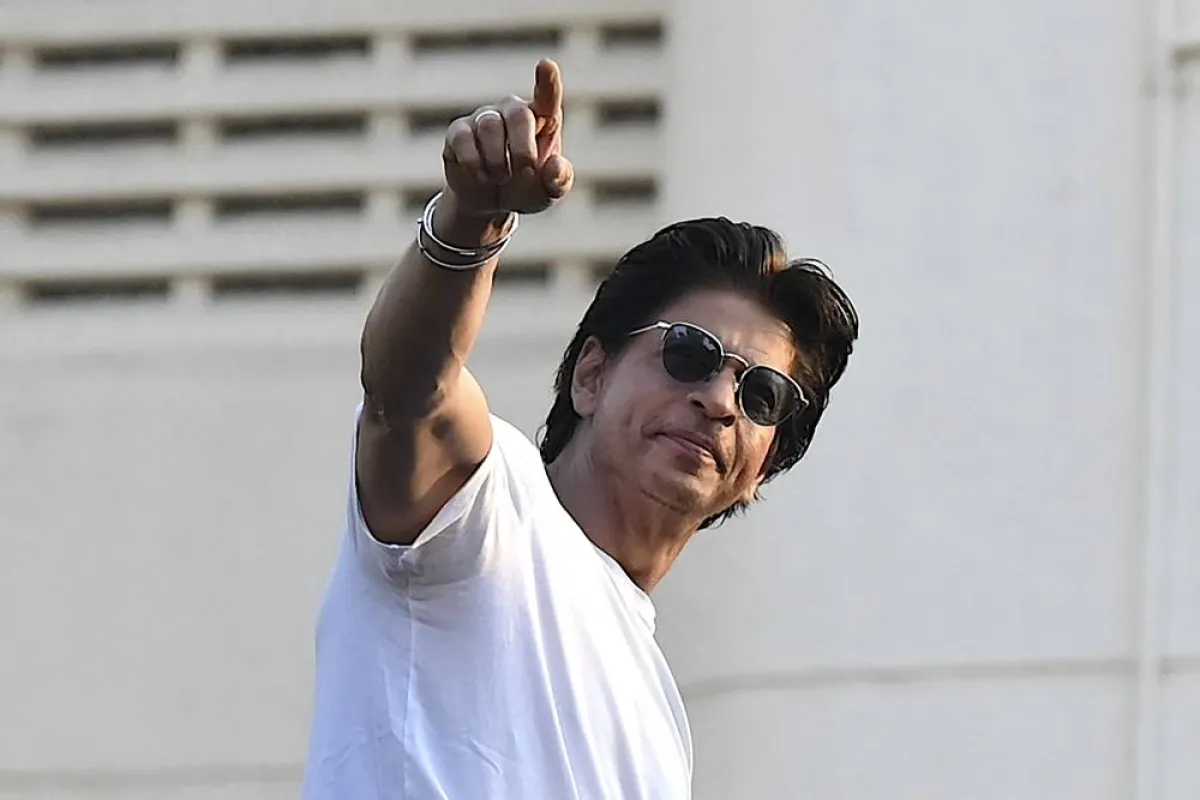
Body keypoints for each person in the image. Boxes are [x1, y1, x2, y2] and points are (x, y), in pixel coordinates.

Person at [301, 59, 858, 799]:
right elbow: (408, 393)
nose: (721, 399)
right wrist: (473, 220)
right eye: (690, 354)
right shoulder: (487, 509)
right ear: (591, 375)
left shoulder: (660, 718)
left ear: (759, 470)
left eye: (760, 394)